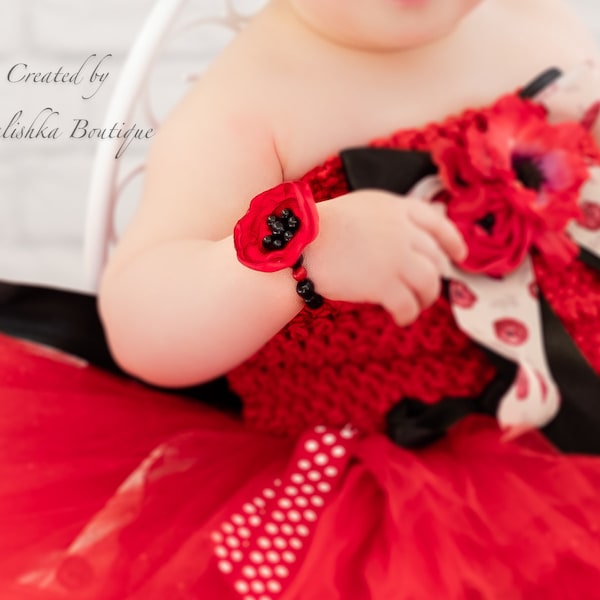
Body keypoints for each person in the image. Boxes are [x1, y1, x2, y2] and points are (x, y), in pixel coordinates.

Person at [2, 0, 600, 598]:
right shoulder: (246, 106)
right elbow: (141, 323)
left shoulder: (536, 21)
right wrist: (301, 257)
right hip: (377, 484)